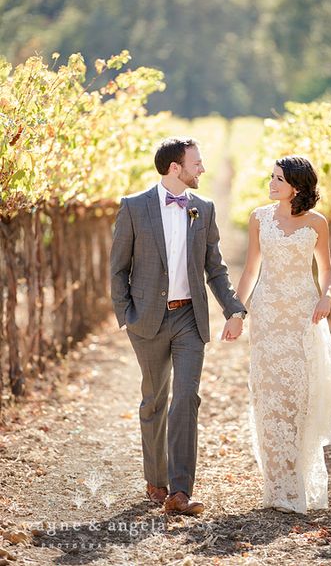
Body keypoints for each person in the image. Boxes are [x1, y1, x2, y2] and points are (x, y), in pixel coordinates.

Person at [110, 137, 246, 515]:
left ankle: (181, 490)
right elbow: (118, 268)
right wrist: (127, 315)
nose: (202, 169)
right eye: (196, 163)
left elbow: (215, 268)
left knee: (186, 398)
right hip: (147, 319)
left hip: (189, 318)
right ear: (175, 167)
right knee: (154, 400)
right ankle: (156, 480)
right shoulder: (134, 207)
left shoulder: (203, 208)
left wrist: (233, 309)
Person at [222, 155, 331, 513]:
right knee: (269, 396)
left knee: (299, 395)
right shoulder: (259, 218)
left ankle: (298, 482)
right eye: (272, 177)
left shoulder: (317, 223)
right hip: (267, 317)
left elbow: (326, 271)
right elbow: (249, 271)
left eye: (278, 179)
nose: (271, 183)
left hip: (302, 317)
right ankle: (276, 486)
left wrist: (326, 295)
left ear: (297, 185)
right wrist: (237, 312)